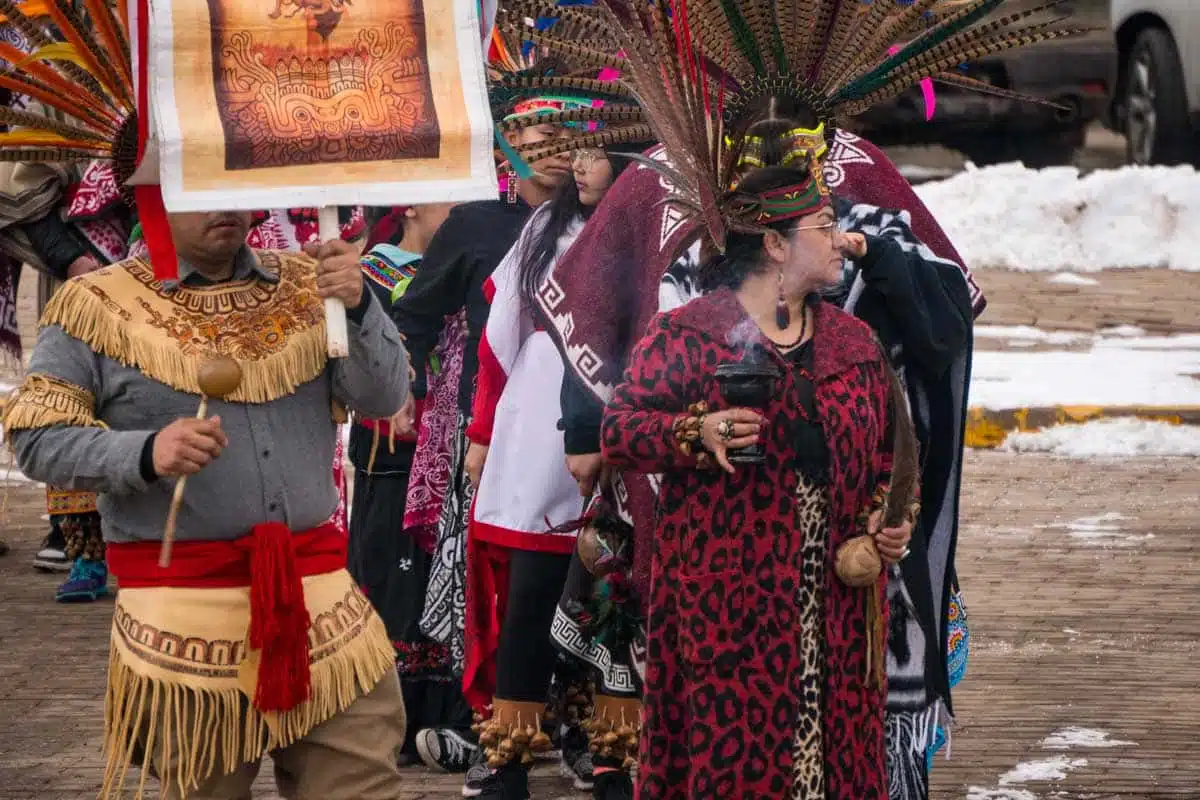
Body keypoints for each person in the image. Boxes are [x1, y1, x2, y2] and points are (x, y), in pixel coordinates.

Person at [5, 210, 411, 799]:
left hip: (322, 607)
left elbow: (384, 396)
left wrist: (358, 306)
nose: (226, 207)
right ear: (155, 192)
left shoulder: (311, 283)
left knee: (361, 787)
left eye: (234, 187)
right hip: (183, 621)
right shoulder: (94, 303)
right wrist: (145, 452)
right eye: (201, 185)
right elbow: (38, 440)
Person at [602, 164, 914, 797]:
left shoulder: (853, 342)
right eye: (823, 227)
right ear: (775, 244)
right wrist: (695, 433)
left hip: (839, 616)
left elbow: (893, 456)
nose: (838, 238)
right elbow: (618, 432)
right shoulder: (689, 334)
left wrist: (888, 519)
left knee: (836, 767)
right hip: (728, 613)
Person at [462, 142, 648, 799]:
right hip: (539, 423)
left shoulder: (659, 225)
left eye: (598, 156)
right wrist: (482, 431)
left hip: (632, 422)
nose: (581, 167)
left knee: (615, 595)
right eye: (578, 153)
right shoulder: (546, 226)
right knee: (530, 595)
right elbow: (499, 336)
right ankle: (509, 758)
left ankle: (612, 760)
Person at [344, 202, 479, 772]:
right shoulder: (369, 275)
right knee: (393, 586)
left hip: (450, 453)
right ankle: (388, 718)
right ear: (414, 207)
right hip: (393, 454)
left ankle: (444, 713)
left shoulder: (465, 266)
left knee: (443, 582)